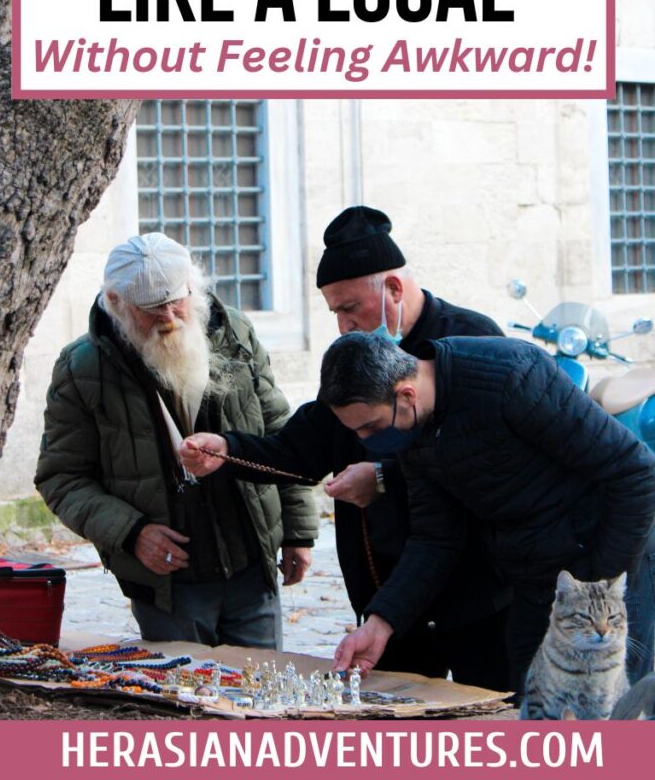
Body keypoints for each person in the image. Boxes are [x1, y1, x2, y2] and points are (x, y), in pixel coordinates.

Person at [181, 206, 514, 691]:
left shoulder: (473, 340)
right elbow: (301, 450)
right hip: (389, 590)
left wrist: (382, 477)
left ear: (394, 290)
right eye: (334, 311)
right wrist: (227, 449)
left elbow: (489, 459)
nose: (343, 324)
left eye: (350, 307)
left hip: (478, 591)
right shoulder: (353, 353)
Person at [314, 332, 655, 693]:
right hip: (534, 581)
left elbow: (636, 473)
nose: (366, 440)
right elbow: (435, 538)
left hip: (608, 574)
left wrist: (596, 591)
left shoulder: (513, 375)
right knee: (530, 710)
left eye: (371, 426)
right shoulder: (414, 431)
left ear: (406, 395)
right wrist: (380, 623)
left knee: (608, 719)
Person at [35, 232, 318, 649]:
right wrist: (132, 533)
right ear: (116, 303)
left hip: (250, 562)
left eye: (177, 300)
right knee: (188, 703)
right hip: (168, 583)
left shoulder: (234, 333)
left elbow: (279, 433)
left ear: (194, 286)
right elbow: (61, 478)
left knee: (260, 699)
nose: (169, 316)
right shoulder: (83, 368)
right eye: (151, 308)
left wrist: (298, 532)